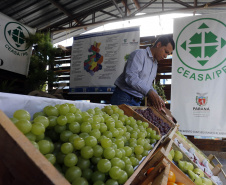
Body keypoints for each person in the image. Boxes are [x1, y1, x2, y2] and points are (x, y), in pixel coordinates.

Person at [110, 35, 175, 110]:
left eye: (168, 54)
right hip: (123, 98)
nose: (166, 56)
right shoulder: (139, 54)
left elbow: (148, 84)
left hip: (137, 101)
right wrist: (150, 92)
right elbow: (131, 78)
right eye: (166, 52)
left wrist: (156, 97)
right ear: (159, 45)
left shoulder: (154, 64)